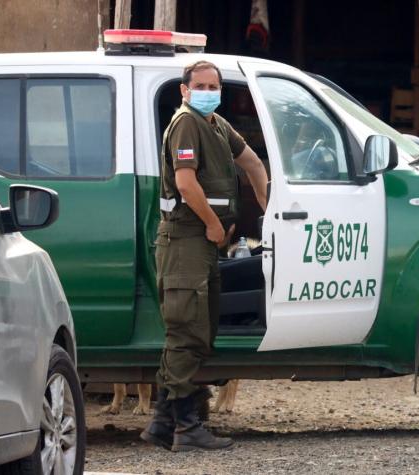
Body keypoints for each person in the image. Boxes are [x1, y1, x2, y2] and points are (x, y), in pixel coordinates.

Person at [141, 60, 268, 452]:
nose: (208, 90)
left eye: (214, 85)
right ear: (184, 89)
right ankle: (186, 427)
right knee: (186, 334)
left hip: (202, 244)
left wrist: (270, 209)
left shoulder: (215, 123)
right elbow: (185, 183)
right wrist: (215, 225)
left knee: (199, 331)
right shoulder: (186, 123)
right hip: (186, 240)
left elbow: (252, 162)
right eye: (200, 85)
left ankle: (163, 422)